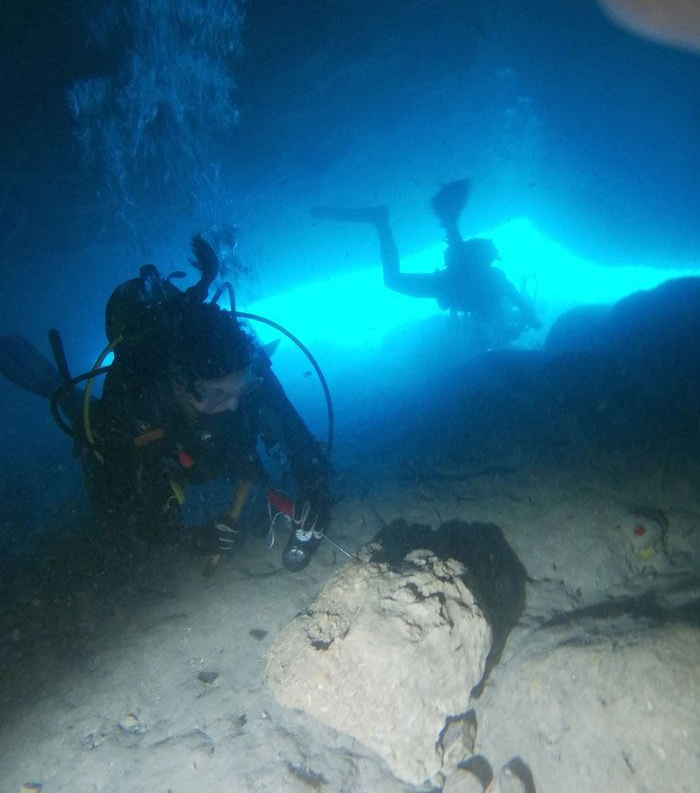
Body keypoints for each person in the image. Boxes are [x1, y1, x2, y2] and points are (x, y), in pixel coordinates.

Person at [0, 236, 333, 571]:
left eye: (240, 389)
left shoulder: (244, 366)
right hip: (159, 436)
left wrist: (314, 482)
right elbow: (131, 510)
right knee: (100, 466)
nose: (232, 405)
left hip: (199, 435)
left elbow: (293, 430)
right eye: (215, 394)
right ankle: (53, 385)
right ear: (177, 383)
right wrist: (186, 537)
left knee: (247, 405)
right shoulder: (137, 405)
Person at [311, 179, 540, 349]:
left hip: (445, 284)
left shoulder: (490, 293)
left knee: (394, 279)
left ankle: (383, 222)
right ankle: (385, 221)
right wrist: (530, 317)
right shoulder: (494, 284)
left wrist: (525, 319)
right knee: (396, 279)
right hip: (446, 284)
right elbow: (509, 296)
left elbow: (492, 312)